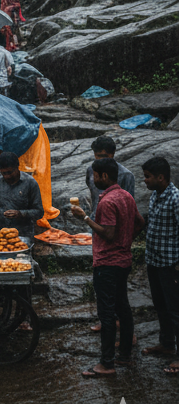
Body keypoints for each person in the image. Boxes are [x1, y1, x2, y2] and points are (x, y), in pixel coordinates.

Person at [70, 157, 137, 377]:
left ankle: (106, 364)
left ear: (104, 176)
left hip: (107, 263)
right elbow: (140, 222)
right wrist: (125, 241)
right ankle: (125, 355)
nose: (93, 179)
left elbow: (107, 233)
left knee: (107, 313)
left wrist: (85, 218)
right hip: (123, 261)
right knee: (123, 308)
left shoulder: (108, 202)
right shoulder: (126, 196)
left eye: (95, 175)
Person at [139, 156, 179, 374]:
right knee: (161, 306)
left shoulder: (175, 198)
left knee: (175, 309)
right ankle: (166, 344)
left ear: (161, 177)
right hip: (154, 261)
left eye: (147, 177)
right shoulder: (155, 195)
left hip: (170, 263)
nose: (144, 181)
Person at [0, 151, 44, 238]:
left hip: (23, 235)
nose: (7, 176)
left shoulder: (30, 183)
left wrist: (20, 214)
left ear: (17, 167)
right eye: (3, 173)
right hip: (1, 233)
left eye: (10, 172)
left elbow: (39, 212)